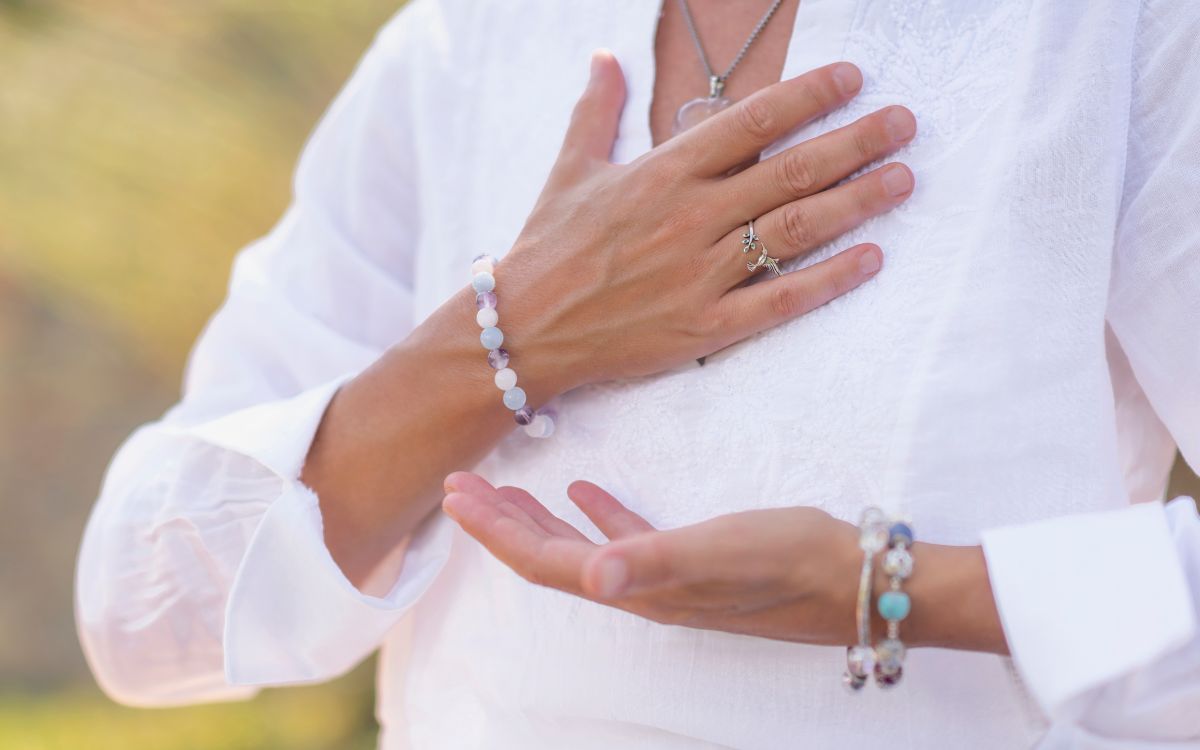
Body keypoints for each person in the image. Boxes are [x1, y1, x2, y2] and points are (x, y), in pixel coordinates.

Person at [76, 1, 1199, 748]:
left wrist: (896, 590)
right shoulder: (471, 41)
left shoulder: (1116, 33)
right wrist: (515, 331)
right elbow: (149, 609)